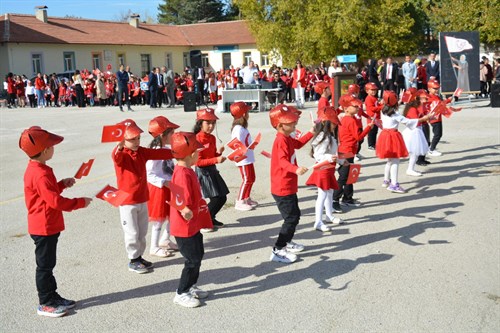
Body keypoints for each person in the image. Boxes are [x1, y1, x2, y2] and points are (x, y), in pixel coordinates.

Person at [19, 126, 92, 317]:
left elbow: (46, 194)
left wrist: (61, 184)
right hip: (43, 226)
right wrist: (80, 202)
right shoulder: (40, 174)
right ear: (45, 151)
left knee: (48, 265)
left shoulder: (38, 169)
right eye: (51, 146)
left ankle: (52, 296)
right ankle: (45, 303)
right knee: (44, 266)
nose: (53, 148)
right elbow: (55, 201)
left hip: (47, 224)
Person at [112, 119, 174, 273]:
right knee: (132, 232)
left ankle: (139, 257)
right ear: (123, 140)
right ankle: (133, 260)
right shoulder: (122, 155)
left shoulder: (142, 152)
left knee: (142, 230)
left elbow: (158, 153)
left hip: (142, 198)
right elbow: (116, 157)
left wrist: (177, 151)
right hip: (127, 201)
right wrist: (119, 147)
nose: (136, 141)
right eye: (132, 139)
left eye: (138, 138)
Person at [268, 104, 314, 263]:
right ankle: (278, 249)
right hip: (282, 187)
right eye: (291, 122)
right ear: (280, 125)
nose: (295, 124)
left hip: (288, 185)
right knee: (291, 218)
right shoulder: (280, 140)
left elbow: (299, 144)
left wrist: (311, 132)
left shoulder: (287, 138)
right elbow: (281, 161)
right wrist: (295, 169)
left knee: (294, 216)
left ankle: (287, 241)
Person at [169, 132, 210, 308]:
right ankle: (181, 292)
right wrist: (183, 208)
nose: (199, 154)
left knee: (198, 255)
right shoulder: (182, 174)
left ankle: (191, 286)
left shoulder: (187, 170)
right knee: (192, 260)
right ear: (190, 154)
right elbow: (175, 195)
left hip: (192, 224)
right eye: (198, 151)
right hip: (184, 227)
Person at [376, 91, 433, 193]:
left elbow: (391, 104)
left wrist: (400, 99)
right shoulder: (393, 114)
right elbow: (408, 122)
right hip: (392, 136)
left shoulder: (383, 110)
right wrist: (423, 118)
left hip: (385, 135)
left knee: (389, 160)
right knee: (395, 161)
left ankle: (386, 180)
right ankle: (394, 184)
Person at [306, 106, 345, 232]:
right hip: (323, 168)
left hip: (329, 168)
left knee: (329, 193)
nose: (335, 125)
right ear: (326, 122)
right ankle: (318, 221)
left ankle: (329, 215)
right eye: (333, 123)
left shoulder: (329, 136)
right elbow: (319, 155)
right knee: (322, 195)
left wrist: (341, 161)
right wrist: (331, 157)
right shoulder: (323, 136)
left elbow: (333, 153)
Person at [146, 116, 180, 258]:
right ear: (162, 135)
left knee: (172, 214)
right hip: (159, 189)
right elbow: (149, 173)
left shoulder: (166, 148)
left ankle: (165, 239)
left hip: (169, 186)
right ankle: (153, 246)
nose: (173, 135)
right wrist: (163, 182)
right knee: (159, 218)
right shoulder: (155, 151)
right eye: (171, 132)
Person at [333, 96, 373, 213]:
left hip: (346, 149)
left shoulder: (347, 119)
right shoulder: (350, 120)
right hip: (347, 150)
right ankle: (334, 200)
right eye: (354, 106)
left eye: (357, 106)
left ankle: (347, 197)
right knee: (344, 177)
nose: (357, 108)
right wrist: (368, 128)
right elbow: (358, 137)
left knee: (349, 175)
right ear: (346, 108)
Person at [193, 108, 228, 231]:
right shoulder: (197, 139)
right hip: (203, 172)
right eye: (208, 123)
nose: (211, 126)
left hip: (212, 170)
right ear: (200, 123)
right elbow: (197, 161)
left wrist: (219, 153)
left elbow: (213, 156)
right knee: (215, 198)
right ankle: (203, 221)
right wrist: (216, 160)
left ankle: (210, 217)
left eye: (213, 123)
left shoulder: (212, 138)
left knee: (222, 197)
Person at [229, 102, 258, 211]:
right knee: (246, 179)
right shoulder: (238, 129)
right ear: (244, 114)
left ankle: (246, 197)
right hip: (243, 159)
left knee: (251, 178)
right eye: (247, 111)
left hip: (248, 157)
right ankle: (240, 200)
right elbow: (236, 144)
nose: (248, 113)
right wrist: (244, 150)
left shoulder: (241, 127)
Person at [401, 88, 430, 176]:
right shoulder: (412, 108)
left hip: (415, 131)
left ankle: (411, 168)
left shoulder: (411, 107)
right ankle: (410, 169)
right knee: (414, 152)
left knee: (414, 152)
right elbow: (415, 121)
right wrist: (425, 118)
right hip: (414, 132)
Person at [427, 79, 452, 157]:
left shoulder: (436, 96)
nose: (436, 90)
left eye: (437, 88)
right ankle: (431, 149)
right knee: (438, 134)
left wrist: (448, 100)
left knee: (438, 134)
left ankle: (431, 148)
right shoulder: (429, 98)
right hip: (434, 119)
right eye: (434, 88)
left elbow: (441, 103)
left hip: (438, 118)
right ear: (429, 89)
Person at [364, 82, 383, 150]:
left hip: (376, 118)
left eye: (375, 90)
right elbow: (372, 108)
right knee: (371, 132)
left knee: (375, 131)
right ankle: (371, 144)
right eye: (372, 90)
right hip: (372, 118)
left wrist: (380, 105)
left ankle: (373, 144)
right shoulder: (369, 98)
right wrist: (381, 107)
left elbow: (377, 105)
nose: (374, 91)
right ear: (367, 91)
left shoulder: (374, 98)